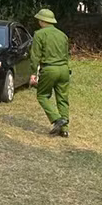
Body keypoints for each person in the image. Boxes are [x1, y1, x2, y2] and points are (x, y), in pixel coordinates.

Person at [29, 8, 71, 137]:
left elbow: (35, 55)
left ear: (42, 21)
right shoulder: (62, 34)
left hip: (49, 69)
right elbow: (66, 53)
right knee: (62, 99)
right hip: (64, 69)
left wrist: (33, 73)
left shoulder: (39, 34)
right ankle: (64, 129)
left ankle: (57, 118)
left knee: (42, 95)